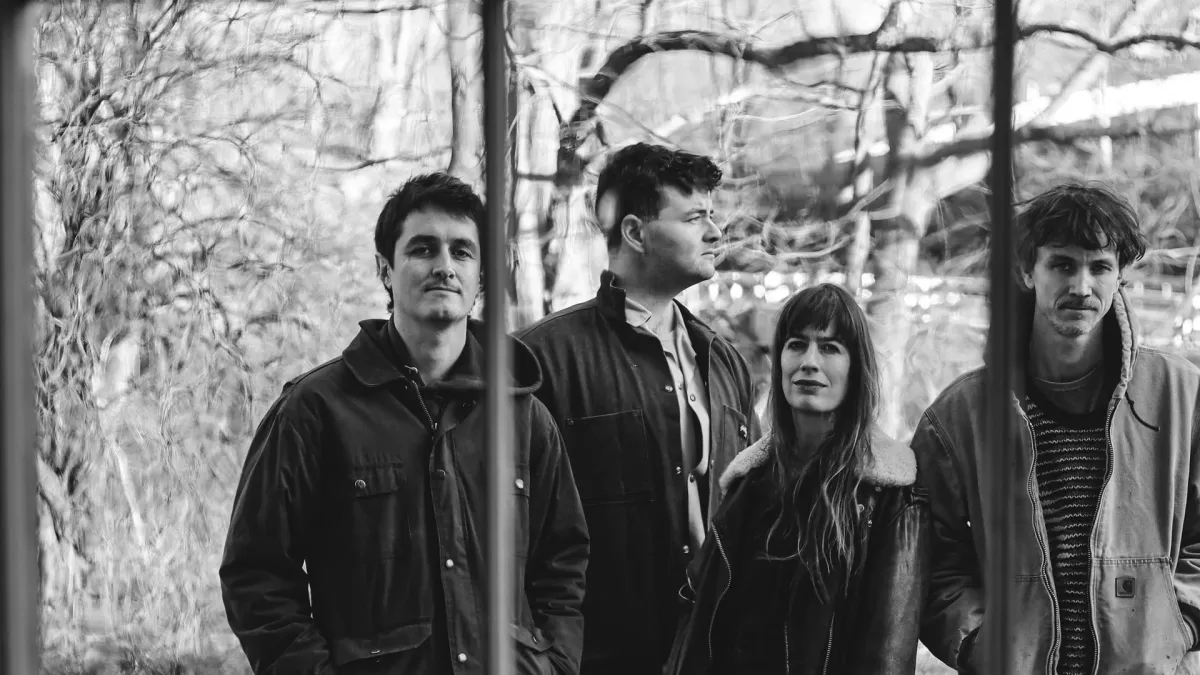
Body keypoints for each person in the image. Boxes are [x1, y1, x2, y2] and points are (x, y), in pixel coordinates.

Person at [219, 173, 589, 675]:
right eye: (423, 249)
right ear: (385, 270)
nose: (444, 266)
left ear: (481, 275)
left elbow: (563, 563)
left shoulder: (525, 418)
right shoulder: (315, 410)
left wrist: (554, 665)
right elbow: (257, 573)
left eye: (462, 252)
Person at [914, 182, 1200, 674]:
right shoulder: (962, 414)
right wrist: (979, 643)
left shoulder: (1182, 396)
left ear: (1120, 276)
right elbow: (931, 557)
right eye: (1063, 265)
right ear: (1028, 271)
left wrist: (1180, 622)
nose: (1081, 287)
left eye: (1100, 267)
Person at [514, 142, 760, 675]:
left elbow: (755, 507)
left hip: (715, 653)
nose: (715, 232)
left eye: (712, 215)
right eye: (694, 218)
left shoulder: (724, 362)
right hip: (594, 658)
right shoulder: (540, 360)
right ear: (634, 232)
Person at [665, 283, 930, 674]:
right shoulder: (749, 482)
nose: (809, 361)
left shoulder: (888, 494)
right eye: (796, 344)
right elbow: (707, 624)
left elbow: (886, 654)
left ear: (856, 367)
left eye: (829, 348)